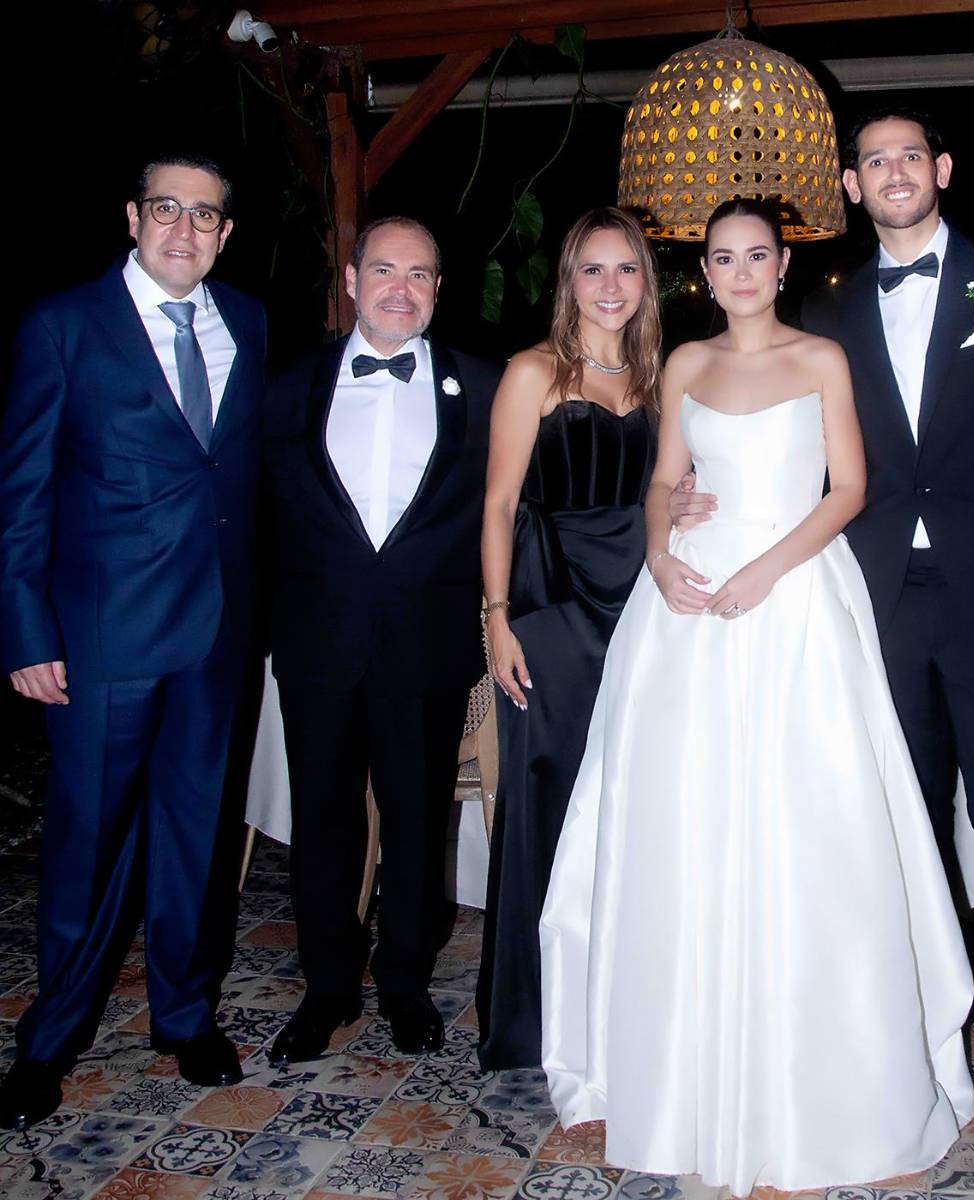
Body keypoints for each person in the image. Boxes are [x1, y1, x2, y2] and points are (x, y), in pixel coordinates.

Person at [677, 109, 974, 1128]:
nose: (892, 172)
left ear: (941, 169)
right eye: (873, 161)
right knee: (898, 829)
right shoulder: (825, 301)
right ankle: (924, 1024)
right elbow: (775, 427)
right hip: (871, 603)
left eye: (908, 156)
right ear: (849, 182)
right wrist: (689, 494)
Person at [540, 198, 974, 1193]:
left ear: (783, 267)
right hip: (687, 607)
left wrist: (768, 570)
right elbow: (665, 484)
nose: (739, 272)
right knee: (686, 821)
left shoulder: (821, 359)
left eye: (756, 257)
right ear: (705, 270)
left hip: (794, 594)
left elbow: (849, 489)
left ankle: (821, 1073)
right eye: (721, 257)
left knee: (808, 822)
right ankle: (681, 1066)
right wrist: (659, 551)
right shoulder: (685, 365)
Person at [0, 154, 265, 1127]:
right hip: (101, 639)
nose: (183, 230)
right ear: (131, 217)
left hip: (215, 638)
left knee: (194, 838)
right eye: (166, 209)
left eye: (205, 214)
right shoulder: (63, 325)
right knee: (87, 843)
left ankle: (184, 1017)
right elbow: (21, 492)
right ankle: (51, 1038)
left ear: (225, 233)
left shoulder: (248, 321)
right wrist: (24, 627)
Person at [262, 216, 499, 1066]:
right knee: (324, 824)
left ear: (439, 289)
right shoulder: (286, 387)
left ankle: (403, 985)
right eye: (385, 271)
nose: (401, 289)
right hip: (318, 645)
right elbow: (258, 520)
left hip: (427, 647)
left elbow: (539, 497)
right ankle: (327, 989)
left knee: (415, 823)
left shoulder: (484, 385)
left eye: (421, 275)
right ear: (353, 280)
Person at [475, 208, 659, 1070]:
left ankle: (626, 1014)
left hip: (646, 618)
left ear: (645, 283)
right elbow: (500, 504)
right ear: (568, 282)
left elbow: (674, 491)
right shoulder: (532, 373)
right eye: (593, 270)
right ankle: (534, 1022)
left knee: (636, 813)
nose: (610, 286)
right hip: (551, 614)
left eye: (626, 269)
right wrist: (496, 617)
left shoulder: (666, 379)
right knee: (546, 806)